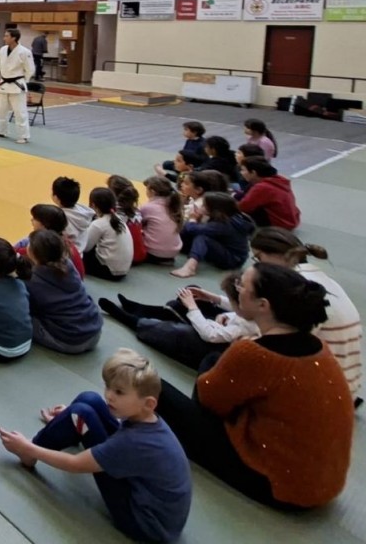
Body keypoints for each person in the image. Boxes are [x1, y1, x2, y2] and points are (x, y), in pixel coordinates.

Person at [156, 263, 353, 509]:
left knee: (155, 388)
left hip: (278, 486)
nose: (237, 290)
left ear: (263, 305)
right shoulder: (318, 347)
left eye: (243, 287)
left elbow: (209, 401)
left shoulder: (253, 353)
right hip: (323, 482)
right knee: (213, 362)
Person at [0, 349, 192, 543]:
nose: (109, 395)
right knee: (89, 399)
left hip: (145, 524)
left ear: (148, 403)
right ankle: (68, 427)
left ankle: (29, 455)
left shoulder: (135, 442)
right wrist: (67, 418)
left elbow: (75, 464)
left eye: (119, 392)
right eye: (108, 387)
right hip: (158, 510)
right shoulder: (146, 419)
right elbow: (120, 433)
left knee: (80, 413)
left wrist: (27, 447)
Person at [249, 228, 362, 403]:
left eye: (258, 258)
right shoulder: (318, 278)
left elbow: (275, 347)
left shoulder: (295, 288)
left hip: (327, 393)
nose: (257, 266)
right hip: (347, 382)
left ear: (277, 255)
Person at [99, 277, 259, 370]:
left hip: (217, 345)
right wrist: (212, 298)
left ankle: (133, 320)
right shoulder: (253, 309)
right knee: (192, 291)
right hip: (225, 327)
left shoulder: (248, 326)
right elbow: (238, 309)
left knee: (181, 332)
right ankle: (142, 309)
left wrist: (192, 306)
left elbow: (210, 335)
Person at [25, 230, 102, 354]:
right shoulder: (68, 265)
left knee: (24, 318)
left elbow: (28, 307)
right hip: (94, 331)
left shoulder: (33, 281)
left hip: (71, 341)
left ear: (33, 253)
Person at [172, 192, 254, 278]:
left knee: (202, 238)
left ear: (214, 210)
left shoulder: (224, 224)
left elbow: (193, 229)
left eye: (204, 205)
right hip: (222, 246)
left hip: (233, 259)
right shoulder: (227, 215)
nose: (201, 207)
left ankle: (190, 267)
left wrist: (193, 219)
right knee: (188, 235)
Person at [0, 28, 35, 145]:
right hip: (4, 84)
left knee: (20, 112)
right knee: (1, 111)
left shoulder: (25, 52)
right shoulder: (2, 50)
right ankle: (1, 131)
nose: (4, 38)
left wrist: (22, 81)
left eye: (6, 36)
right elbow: (3, 67)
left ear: (14, 38)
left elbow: (30, 70)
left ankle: (23, 136)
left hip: (17, 85)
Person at [82, 188, 134, 282]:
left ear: (93, 205)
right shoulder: (119, 219)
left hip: (109, 271)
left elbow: (85, 247)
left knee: (76, 251)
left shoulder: (98, 224)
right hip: (123, 269)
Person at [236, 158, 300, 230]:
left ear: (253, 173)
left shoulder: (262, 187)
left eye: (243, 170)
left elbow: (243, 207)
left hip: (280, 225)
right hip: (292, 220)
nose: (241, 173)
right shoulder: (278, 180)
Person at [140, 176, 183, 264]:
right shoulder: (174, 205)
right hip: (173, 252)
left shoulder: (148, 207)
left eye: (147, 189)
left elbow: (138, 223)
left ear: (152, 191)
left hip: (154, 252)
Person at [52, 176, 93, 252]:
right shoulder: (83, 212)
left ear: (55, 197)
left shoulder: (60, 218)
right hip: (80, 252)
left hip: (70, 255)